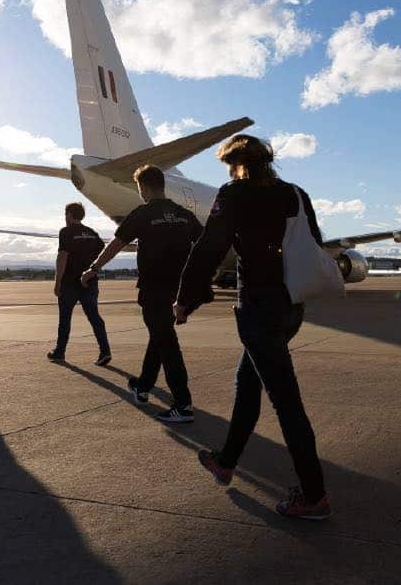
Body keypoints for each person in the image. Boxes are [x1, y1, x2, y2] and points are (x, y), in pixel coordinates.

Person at [175, 134, 331, 521]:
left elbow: (209, 248)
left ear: (236, 164)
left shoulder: (234, 194)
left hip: (259, 309)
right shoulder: (295, 194)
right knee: (247, 384)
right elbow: (314, 244)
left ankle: (314, 496)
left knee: (286, 403)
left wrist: (186, 299)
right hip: (291, 307)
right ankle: (226, 462)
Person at [82, 165, 202, 423]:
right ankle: (142, 386)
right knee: (160, 336)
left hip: (154, 288)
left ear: (144, 187)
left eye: (139, 189)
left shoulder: (143, 213)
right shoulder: (184, 215)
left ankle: (183, 405)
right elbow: (204, 246)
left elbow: (116, 244)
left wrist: (94, 268)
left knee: (166, 342)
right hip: (177, 290)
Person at [47, 202, 112, 365]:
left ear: (69, 215)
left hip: (69, 282)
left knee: (65, 319)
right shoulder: (92, 233)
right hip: (89, 281)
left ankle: (60, 352)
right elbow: (102, 250)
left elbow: (62, 257)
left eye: (65, 214)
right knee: (94, 317)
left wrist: (57, 282)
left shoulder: (66, 232)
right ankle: (105, 351)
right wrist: (92, 266)